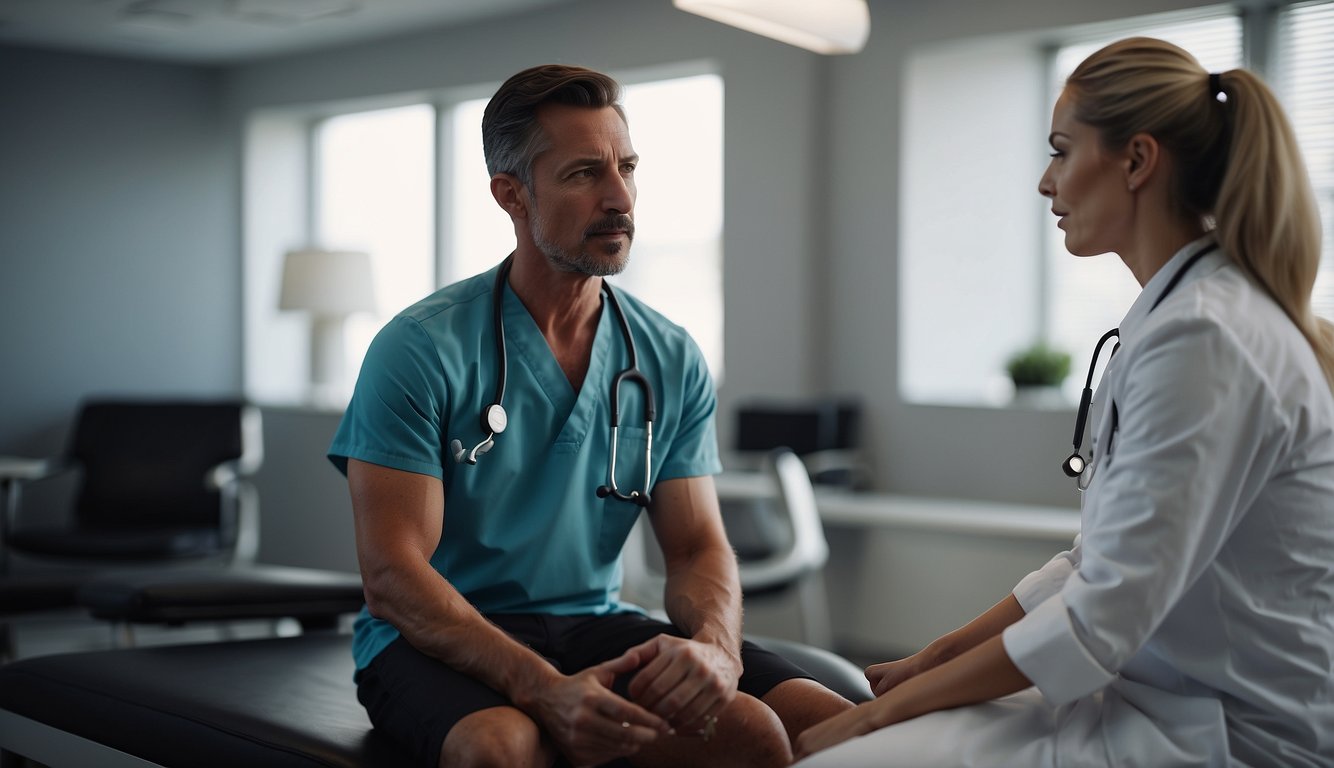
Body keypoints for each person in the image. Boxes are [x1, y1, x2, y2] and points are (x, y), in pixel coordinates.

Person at [793, 37, 1334, 767]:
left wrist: (875, 719)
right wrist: (934, 659)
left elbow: (1100, 615)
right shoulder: (1182, 318)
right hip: (1159, 700)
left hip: (1226, 735)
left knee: (838, 755)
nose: (1047, 183)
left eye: (1061, 151)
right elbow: (1092, 565)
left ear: (1137, 161)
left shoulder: (1206, 336)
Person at [328, 63, 853, 768]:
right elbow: (393, 576)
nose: (619, 198)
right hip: (438, 638)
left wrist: (716, 651)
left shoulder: (665, 354)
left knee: (803, 724)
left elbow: (697, 547)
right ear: (511, 196)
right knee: (502, 747)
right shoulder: (420, 348)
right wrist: (544, 692)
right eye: (582, 174)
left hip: (593, 623)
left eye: (627, 168)